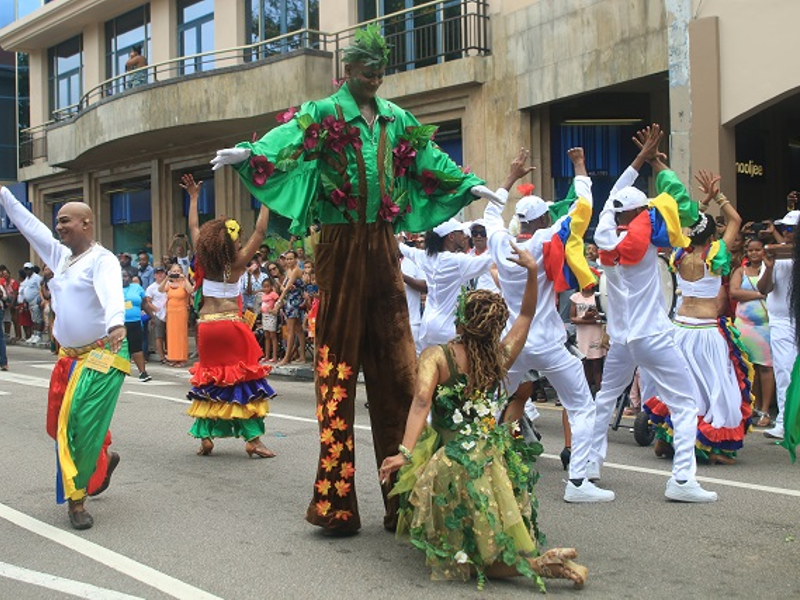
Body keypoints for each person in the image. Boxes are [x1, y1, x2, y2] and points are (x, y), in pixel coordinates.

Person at [211, 26, 486, 533]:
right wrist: (248, 154)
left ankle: (402, 501)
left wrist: (470, 183)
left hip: (383, 245)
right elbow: (288, 141)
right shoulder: (323, 113)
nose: (376, 76)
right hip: (338, 246)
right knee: (335, 377)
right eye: (367, 69)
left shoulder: (395, 117)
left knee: (400, 374)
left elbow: (429, 159)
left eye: (381, 69)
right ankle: (336, 505)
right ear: (348, 71)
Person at [380, 245, 588, 589]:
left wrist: (404, 452)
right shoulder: (499, 357)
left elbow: (420, 402)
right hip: (492, 456)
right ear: (493, 328)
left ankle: (541, 565)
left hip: (454, 462)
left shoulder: (437, 355)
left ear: (460, 320)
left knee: (468, 556)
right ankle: (534, 560)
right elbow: (526, 315)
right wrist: (533, 271)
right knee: (489, 532)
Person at [588, 125, 717, 502]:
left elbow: (614, 198)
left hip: (623, 338)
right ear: (642, 212)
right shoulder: (646, 244)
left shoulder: (607, 236)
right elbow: (679, 212)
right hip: (653, 336)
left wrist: (641, 159)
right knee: (685, 402)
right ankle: (681, 482)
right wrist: (655, 163)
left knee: (604, 398)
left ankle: (588, 468)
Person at [476, 147, 606, 502]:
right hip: (547, 340)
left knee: (489, 404)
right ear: (541, 222)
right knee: (581, 406)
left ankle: (474, 466)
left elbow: (490, 212)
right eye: (547, 216)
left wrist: (509, 178)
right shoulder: (545, 239)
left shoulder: (501, 243)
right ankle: (579, 482)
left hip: (512, 342)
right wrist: (580, 166)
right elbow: (582, 209)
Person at [0, 186, 128, 529]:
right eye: (57, 222)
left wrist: (116, 323)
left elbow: (112, 292)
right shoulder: (61, 257)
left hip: (102, 354)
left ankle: (76, 501)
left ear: (86, 223)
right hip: (68, 360)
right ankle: (102, 460)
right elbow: (30, 226)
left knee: (76, 424)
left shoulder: (103, 260)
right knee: (62, 426)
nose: (58, 227)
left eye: (65, 221)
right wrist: (3, 195)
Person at [644, 170, 752, 464]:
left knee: (682, 385)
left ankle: (669, 438)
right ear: (713, 235)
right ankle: (709, 444)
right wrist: (717, 194)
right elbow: (736, 221)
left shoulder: (680, 254)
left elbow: (688, 225)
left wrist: (701, 203)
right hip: (705, 332)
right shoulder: (715, 253)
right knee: (716, 388)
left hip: (679, 329)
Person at [181, 173, 276, 458]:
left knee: (210, 380)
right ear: (232, 242)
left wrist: (194, 197)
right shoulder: (237, 263)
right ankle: (253, 440)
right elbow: (260, 232)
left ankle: (206, 436)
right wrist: (265, 198)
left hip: (207, 327)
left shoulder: (206, 260)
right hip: (232, 325)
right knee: (243, 381)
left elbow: (193, 227)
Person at [398, 220, 492, 349]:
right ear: (451, 237)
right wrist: (497, 235)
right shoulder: (457, 261)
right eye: (460, 233)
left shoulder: (426, 257)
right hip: (447, 331)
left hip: (427, 328)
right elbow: (490, 260)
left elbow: (404, 249)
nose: (465, 236)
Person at [758, 207, 798, 440]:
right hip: (782, 321)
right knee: (784, 371)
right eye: (784, 228)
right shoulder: (774, 255)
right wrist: (769, 268)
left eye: (792, 229)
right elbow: (764, 289)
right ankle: (784, 423)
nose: (787, 232)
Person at [730, 238, 774, 427]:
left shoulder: (770, 270)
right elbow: (734, 292)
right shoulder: (740, 271)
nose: (754, 253)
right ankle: (749, 408)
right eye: (751, 250)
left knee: (765, 368)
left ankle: (765, 410)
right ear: (746, 252)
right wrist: (759, 295)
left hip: (765, 327)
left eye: (758, 250)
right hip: (744, 327)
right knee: (747, 368)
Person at [570, 283, 606, 394]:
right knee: (585, 363)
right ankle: (587, 392)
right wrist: (586, 318)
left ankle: (599, 392)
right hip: (582, 335)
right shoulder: (575, 297)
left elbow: (602, 318)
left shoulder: (598, 296)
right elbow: (572, 319)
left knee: (596, 364)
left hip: (596, 333)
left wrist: (588, 320)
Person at [275, 250, 307, 365]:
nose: (289, 261)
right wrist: (285, 290)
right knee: (298, 329)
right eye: (287, 259)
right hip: (290, 300)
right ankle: (302, 356)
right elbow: (283, 288)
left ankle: (287, 357)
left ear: (296, 259)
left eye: (291, 259)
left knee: (291, 330)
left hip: (295, 302)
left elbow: (286, 288)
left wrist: (279, 301)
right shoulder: (288, 271)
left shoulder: (296, 270)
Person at [160, 263, 192, 367]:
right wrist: (166, 278)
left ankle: (182, 358)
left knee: (181, 334)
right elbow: (160, 290)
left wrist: (185, 279)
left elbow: (191, 290)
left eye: (178, 271)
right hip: (171, 312)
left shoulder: (183, 283)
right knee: (171, 334)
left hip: (181, 311)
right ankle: (173, 357)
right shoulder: (169, 284)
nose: (176, 273)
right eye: (174, 271)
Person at [399, 238, 427, 355]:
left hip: (412, 325)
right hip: (387, 327)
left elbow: (426, 287)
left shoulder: (413, 261)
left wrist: (403, 277)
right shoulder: (379, 262)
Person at [122, 270, 150, 381]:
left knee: (137, 348)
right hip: (119, 324)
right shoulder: (112, 288)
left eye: (125, 276)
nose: (123, 278)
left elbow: (144, 303)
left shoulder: (137, 288)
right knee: (118, 348)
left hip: (135, 322)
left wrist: (151, 316)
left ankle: (143, 372)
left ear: (129, 277)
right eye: (121, 276)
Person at [145, 266, 168, 364]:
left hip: (169, 313)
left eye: (162, 273)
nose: (160, 275)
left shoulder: (169, 285)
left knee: (169, 336)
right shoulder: (151, 288)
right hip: (158, 314)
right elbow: (148, 301)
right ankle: (162, 356)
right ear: (154, 275)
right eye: (158, 273)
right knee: (159, 336)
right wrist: (155, 310)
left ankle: (169, 353)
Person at [260, 279, 280, 362]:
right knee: (266, 336)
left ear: (271, 287)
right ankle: (267, 355)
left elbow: (279, 301)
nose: (266, 288)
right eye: (264, 287)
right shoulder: (263, 295)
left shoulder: (273, 294)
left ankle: (275, 356)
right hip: (264, 316)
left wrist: (274, 309)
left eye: (267, 286)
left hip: (271, 316)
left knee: (273, 336)